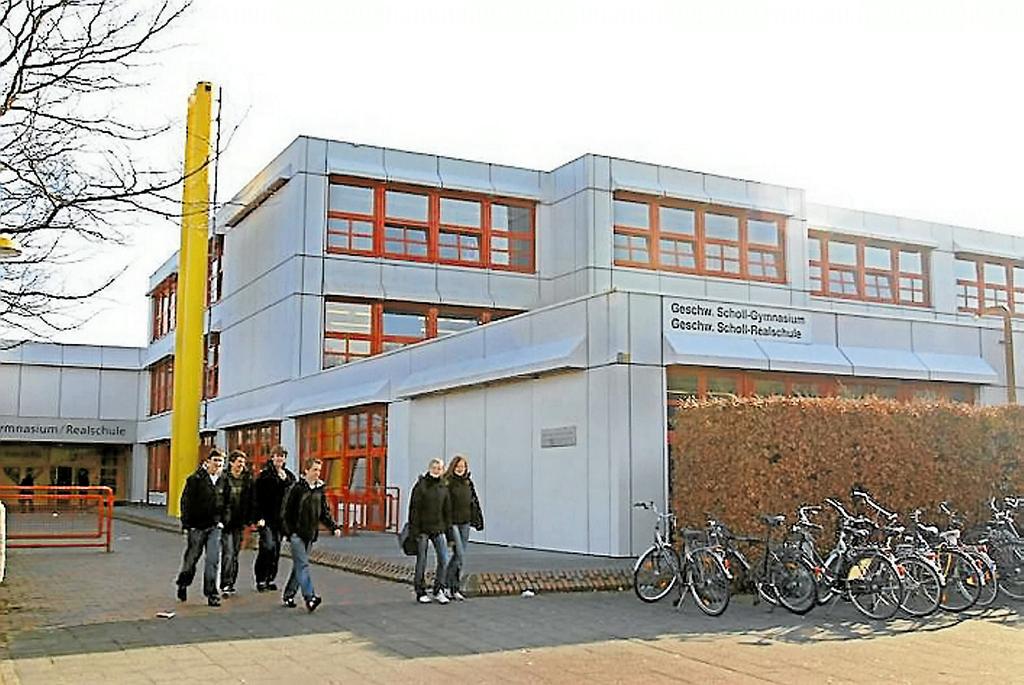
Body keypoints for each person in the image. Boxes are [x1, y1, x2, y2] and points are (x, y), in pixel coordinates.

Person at [280, 457, 341, 612]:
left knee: (299, 566)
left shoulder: (319, 490)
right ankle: (310, 597)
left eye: (319, 470)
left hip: (310, 533)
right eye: (314, 470)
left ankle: (288, 595)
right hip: (296, 534)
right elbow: (286, 512)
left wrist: (333, 527)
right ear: (306, 470)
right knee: (302, 565)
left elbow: (324, 512)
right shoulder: (297, 489)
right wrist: (290, 532)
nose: (317, 473)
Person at [175, 448, 227, 607]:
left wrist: (223, 520)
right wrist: (187, 524)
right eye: (215, 460)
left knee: (213, 559)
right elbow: (185, 502)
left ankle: (212, 593)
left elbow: (227, 503)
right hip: (197, 527)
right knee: (191, 559)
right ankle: (183, 583)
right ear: (207, 462)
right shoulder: (195, 479)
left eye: (220, 461)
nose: (218, 464)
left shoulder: (224, 480)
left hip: (215, 526)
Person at [252, 445, 296, 592]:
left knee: (276, 549)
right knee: (267, 546)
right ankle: (261, 579)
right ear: (272, 458)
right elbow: (256, 498)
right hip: (266, 518)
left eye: (282, 456)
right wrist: (258, 517)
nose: (279, 459)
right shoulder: (264, 476)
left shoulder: (289, 476)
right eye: (277, 456)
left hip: (281, 520)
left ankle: (270, 578)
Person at [408, 458, 451, 604]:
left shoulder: (443, 487)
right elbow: (414, 509)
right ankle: (420, 591)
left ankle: (439, 589)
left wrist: (449, 533)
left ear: (443, 470)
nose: (436, 470)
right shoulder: (421, 485)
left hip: (438, 528)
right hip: (422, 529)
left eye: (439, 468)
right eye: (434, 467)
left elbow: (447, 511)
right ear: (429, 468)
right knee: (422, 560)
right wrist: (414, 531)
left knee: (444, 558)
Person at [443, 454, 484, 601]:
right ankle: (445, 585)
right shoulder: (448, 482)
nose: (460, 469)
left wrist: (478, 520)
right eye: (458, 466)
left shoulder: (468, 482)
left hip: (465, 522)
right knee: (459, 554)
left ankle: (454, 588)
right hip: (453, 522)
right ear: (453, 467)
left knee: (459, 557)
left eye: (463, 467)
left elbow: (474, 501)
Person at [219, 450, 253, 597]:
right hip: (226, 522)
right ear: (232, 462)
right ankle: (225, 584)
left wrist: (251, 519)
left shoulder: (247, 479)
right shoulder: (224, 478)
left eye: (243, 462)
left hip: (239, 522)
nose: (241, 465)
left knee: (235, 554)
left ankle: (231, 582)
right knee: (228, 552)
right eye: (239, 462)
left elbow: (252, 500)